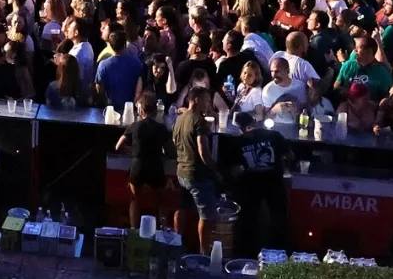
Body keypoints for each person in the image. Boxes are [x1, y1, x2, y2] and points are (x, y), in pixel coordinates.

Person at [228, 111, 291, 253]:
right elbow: (290, 155)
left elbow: (234, 170)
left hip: (251, 186)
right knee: (278, 218)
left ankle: (247, 252)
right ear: (254, 121)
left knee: (249, 220)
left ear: (239, 127)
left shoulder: (238, 142)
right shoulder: (274, 135)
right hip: (274, 182)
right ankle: (280, 251)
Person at [116, 91, 172, 230]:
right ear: (155, 110)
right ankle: (162, 229)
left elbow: (118, 146)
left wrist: (133, 152)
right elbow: (171, 151)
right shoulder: (161, 128)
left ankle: (134, 231)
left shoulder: (134, 126)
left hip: (138, 167)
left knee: (135, 201)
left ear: (140, 109)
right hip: (156, 167)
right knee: (161, 201)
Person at [174, 82, 219, 252]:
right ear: (197, 100)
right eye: (207, 101)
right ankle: (204, 253)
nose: (209, 104)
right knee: (206, 217)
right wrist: (214, 168)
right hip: (197, 174)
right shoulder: (199, 121)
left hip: (181, 172)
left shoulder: (179, 119)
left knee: (182, 209)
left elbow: (174, 142)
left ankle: (177, 244)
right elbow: (203, 151)